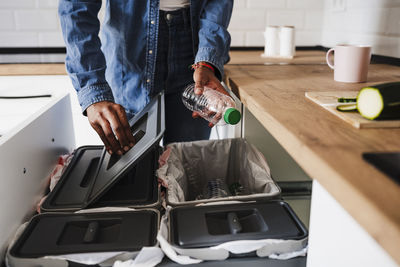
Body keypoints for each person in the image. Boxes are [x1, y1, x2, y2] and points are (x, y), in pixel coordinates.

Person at [59, 0, 233, 155]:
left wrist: (208, 60)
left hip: (194, 52)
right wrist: (92, 89)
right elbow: (76, 7)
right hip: (129, 55)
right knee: (132, 176)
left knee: (189, 167)